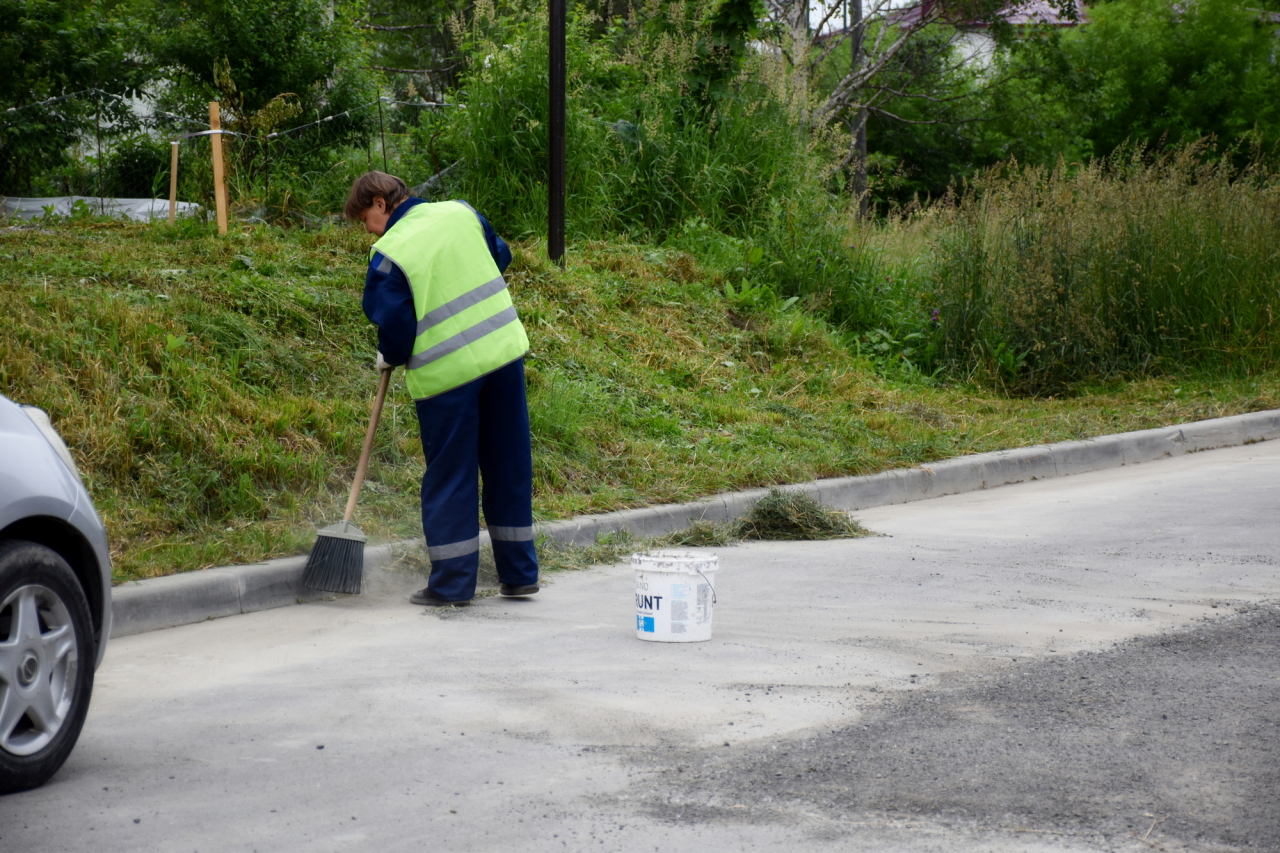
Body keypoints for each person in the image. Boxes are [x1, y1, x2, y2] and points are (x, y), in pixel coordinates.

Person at [344, 171, 539, 606]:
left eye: (365, 219)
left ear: (380, 202)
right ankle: (520, 574)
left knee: (451, 476)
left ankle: (452, 586)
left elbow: (394, 325)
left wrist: (389, 353)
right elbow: (499, 257)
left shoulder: (389, 253)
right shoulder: (461, 213)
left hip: (448, 377)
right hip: (502, 355)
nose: (368, 230)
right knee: (508, 465)